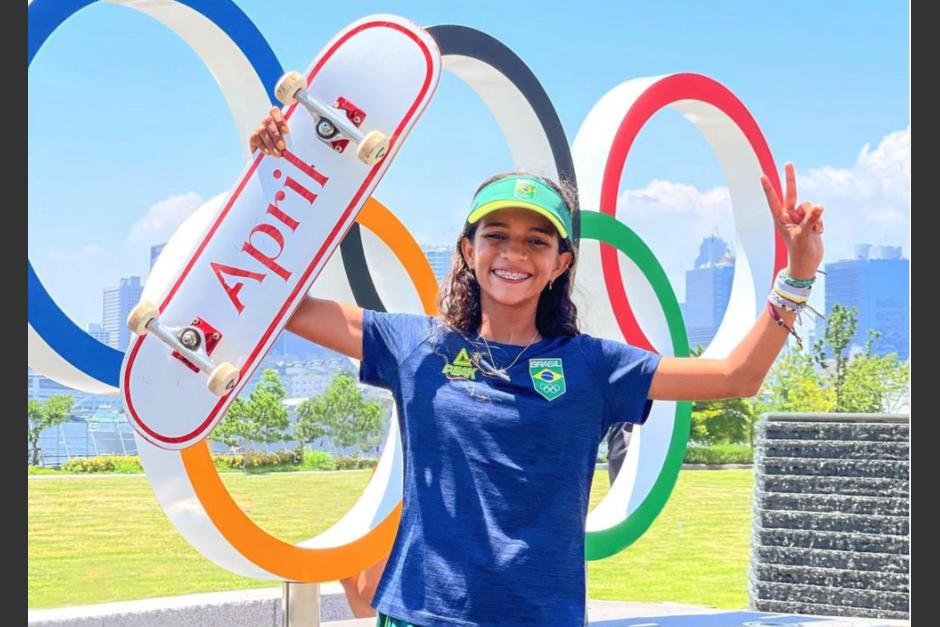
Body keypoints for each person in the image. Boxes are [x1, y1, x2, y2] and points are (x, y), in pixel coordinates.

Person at [250, 107, 825, 626]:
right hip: (422, 617)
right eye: (495, 236)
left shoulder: (595, 366)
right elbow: (280, 300)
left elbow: (736, 377)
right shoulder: (414, 345)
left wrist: (798, 273)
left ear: (560, 262)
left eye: (536, 241)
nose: (513, 254)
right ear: (468, 252)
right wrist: (270, 179)